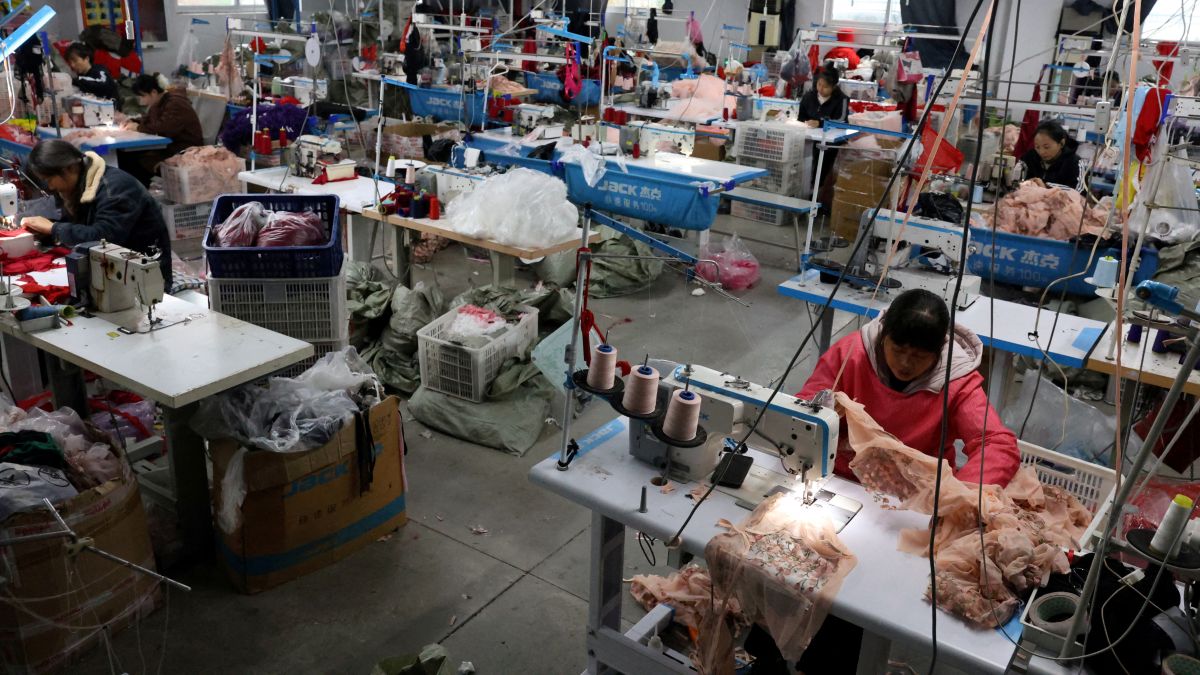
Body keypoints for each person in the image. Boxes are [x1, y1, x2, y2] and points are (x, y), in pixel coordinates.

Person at [799, 288, 1020, 487]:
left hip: (920, 490)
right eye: (898, 350)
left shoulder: (956, 382)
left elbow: (997, 444)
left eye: (919, 356)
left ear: (939, 352)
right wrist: (820, 409)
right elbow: (802, 410)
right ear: (883, 335)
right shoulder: (851, 355)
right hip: (845, 477)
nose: (905, 363)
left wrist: (960, 497)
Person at [21, 139, 172, 289]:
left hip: (145, 275)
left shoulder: (115, 189)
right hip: (115, 268)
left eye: (49, 180)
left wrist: (54, 229)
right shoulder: (78, 186)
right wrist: (44, 233)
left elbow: (104, 238)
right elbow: (78, 225)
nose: (51, 187)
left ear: (69, 168)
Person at [120, 74, 204, 186]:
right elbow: (150, 120)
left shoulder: (175, 103)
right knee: (125, 156)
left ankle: (141, 191)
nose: (140, 100)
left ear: (153, 92)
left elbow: (164, 128)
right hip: (170, 147)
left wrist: (138, 127)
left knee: (130, 160)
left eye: (142, 96)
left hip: (184, 150)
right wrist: (132, 121)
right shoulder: (160, 103)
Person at [798, 69, 850, 215]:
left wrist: (820, 123)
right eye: (819, 85)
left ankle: (816, 200)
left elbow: (841, 120)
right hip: (810, 139)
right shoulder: (809, 97)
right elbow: (801, 117)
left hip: (830, 143)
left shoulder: (842, 99)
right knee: (806, 168)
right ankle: (805, 197)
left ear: (834, 87)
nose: (820, 89)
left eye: (825, 86)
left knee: (822, 170)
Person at [1018, 120, 1082, 190]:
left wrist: (1046, 187)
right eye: (1037, 147)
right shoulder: (1029, 157)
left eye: (1046, 147)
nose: (1041, 152)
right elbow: (1016, 181)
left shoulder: (1075, 163)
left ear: (1061, 143)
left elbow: (1079, 190)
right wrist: (1027, 183)